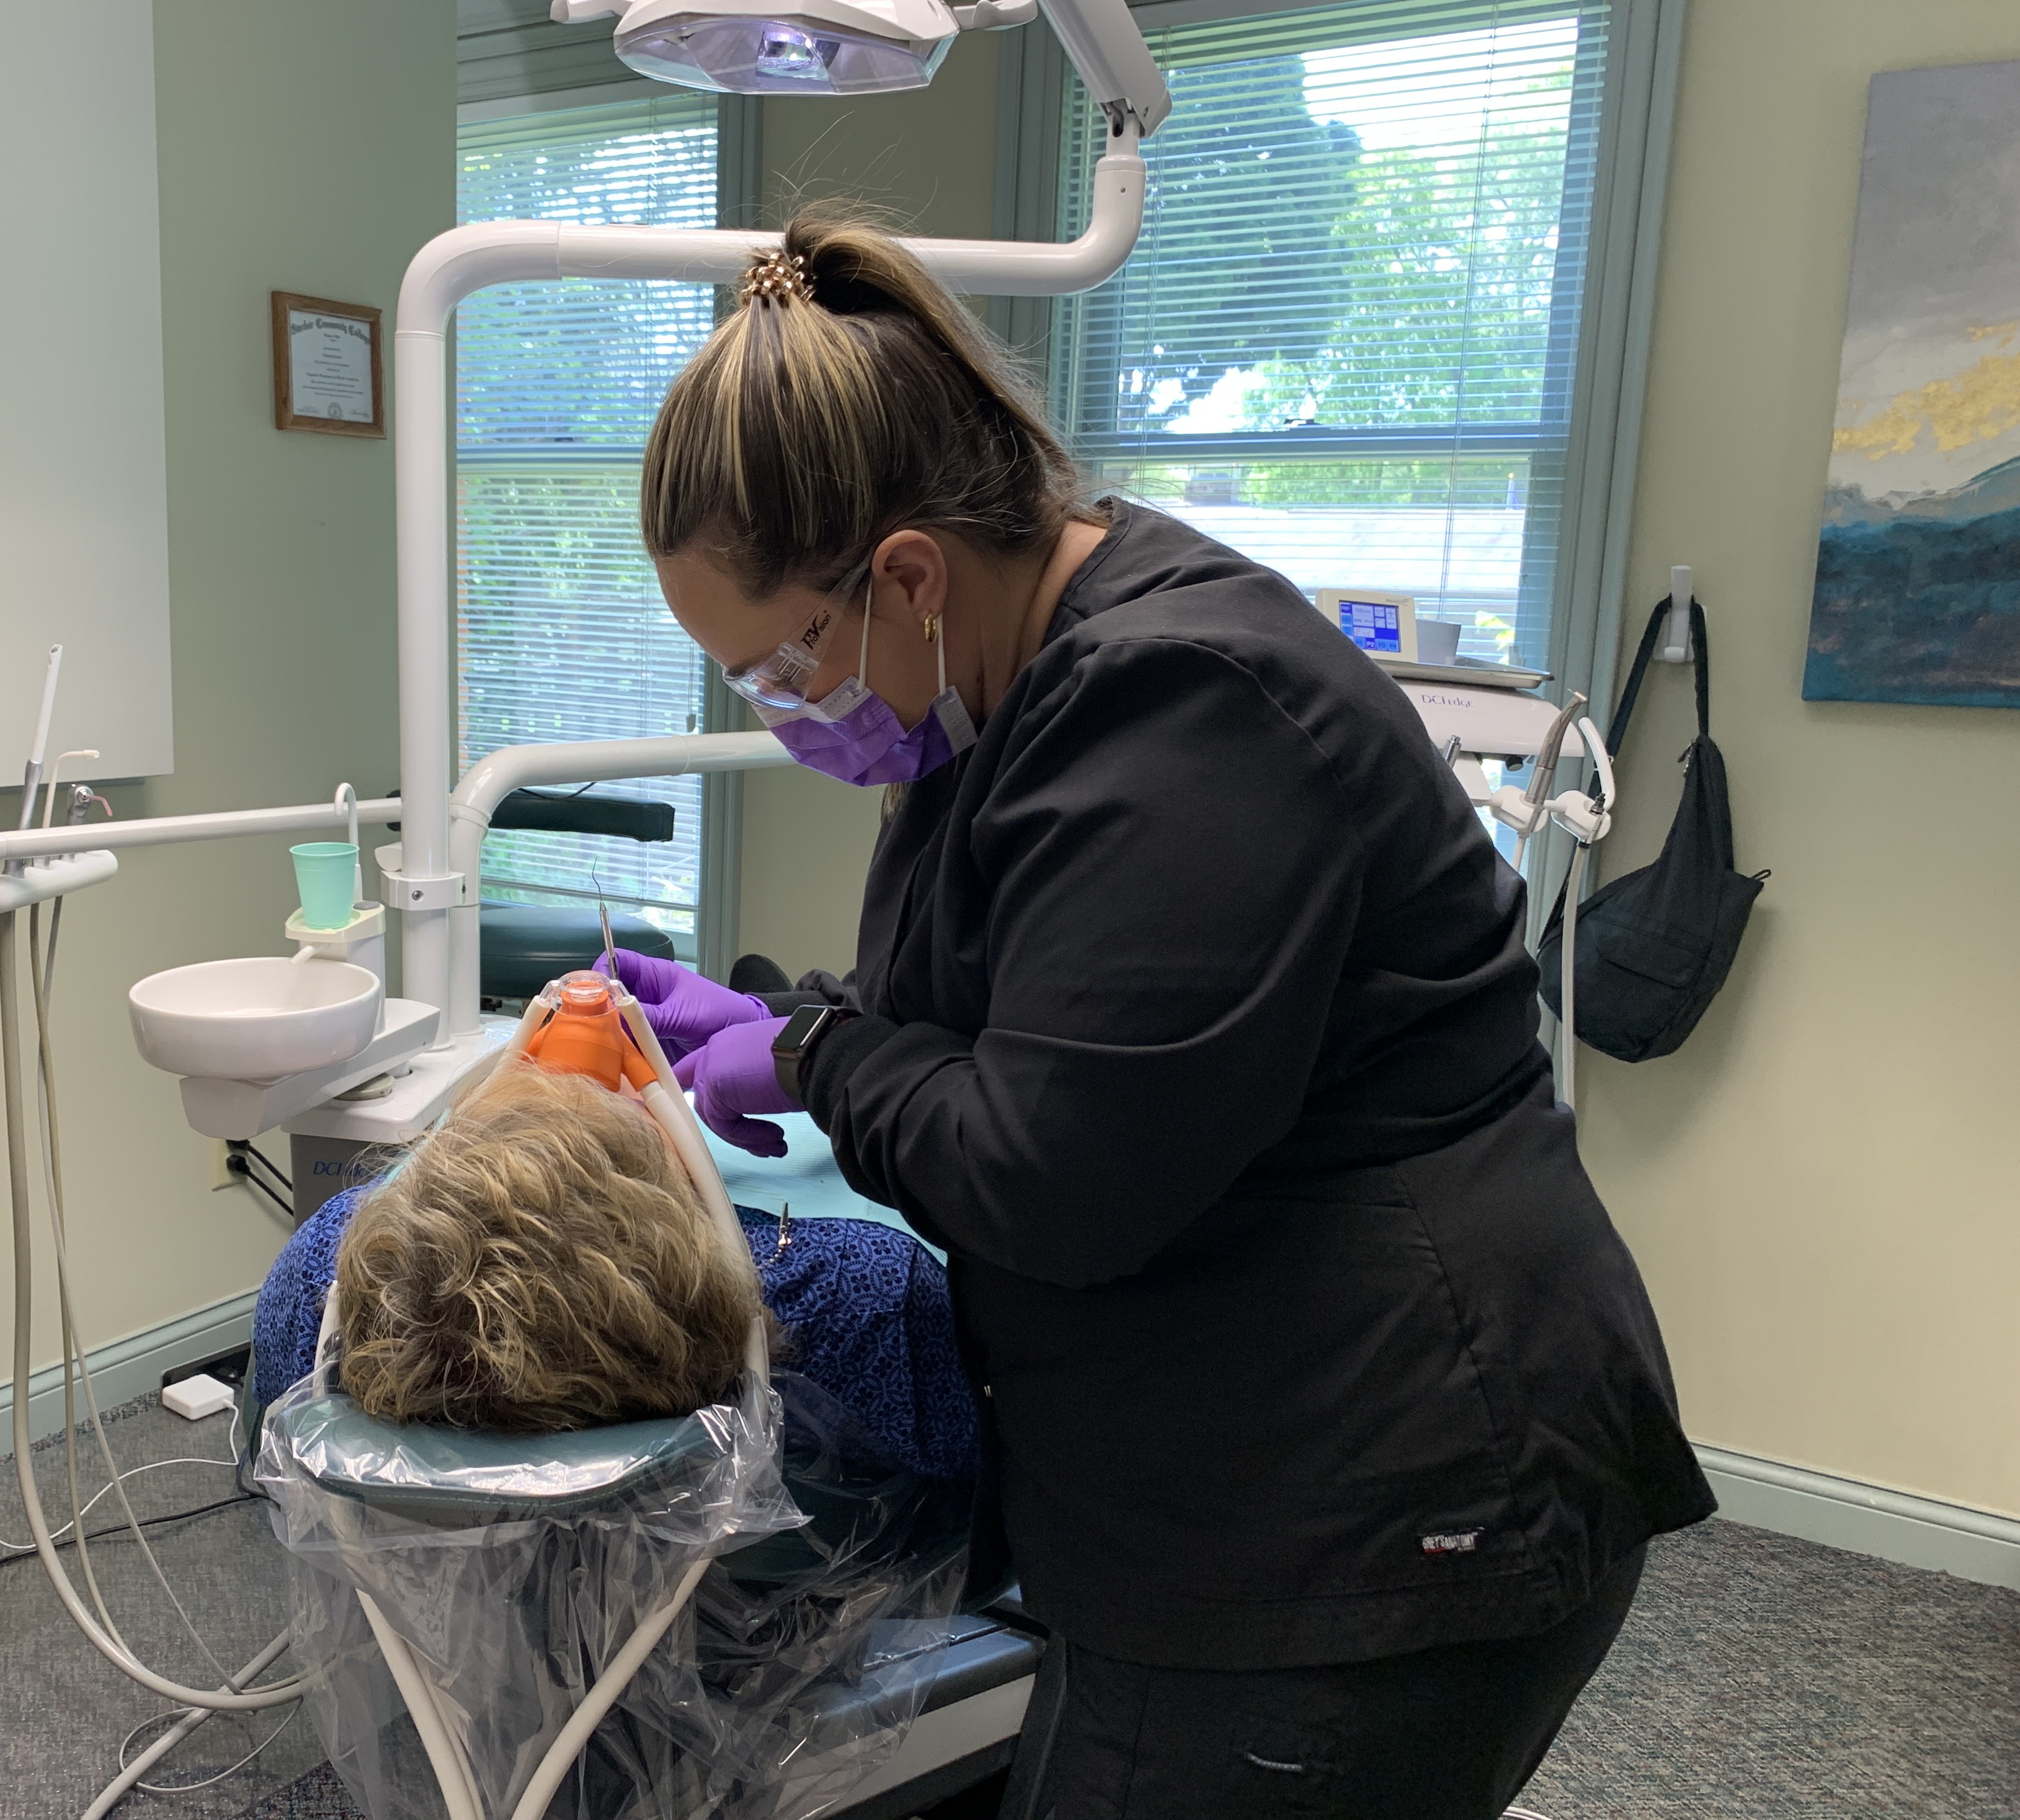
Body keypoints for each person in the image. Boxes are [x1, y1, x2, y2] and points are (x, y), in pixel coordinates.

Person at [614, 208, 1717, 1820]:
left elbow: (1053, 1175)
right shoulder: (1006, 687)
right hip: (1239, 1455)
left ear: (907, 575)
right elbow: (1044, 1000)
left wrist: (822, 1053)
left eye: (784, 671)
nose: (791, 718)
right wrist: (786, 1018)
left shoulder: (1183, 703)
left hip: (1383, 1492)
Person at [250, 1060, 979, 1484]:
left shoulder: (314, 1287)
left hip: (421, 1630)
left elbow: (278, 1482)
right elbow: (969, 1515)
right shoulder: (872, 1299)